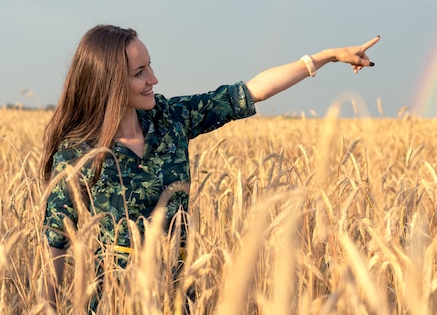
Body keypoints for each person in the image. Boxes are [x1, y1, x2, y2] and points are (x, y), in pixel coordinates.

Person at [40, 24, 380, 313]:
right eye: (139, 73)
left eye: (150, 67)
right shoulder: (78, 153)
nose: (154, 79)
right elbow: (55, 241)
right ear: (110, 82)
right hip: (114, 305)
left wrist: (326, 56)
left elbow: (250, 92)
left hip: (178, 300)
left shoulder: (171, 119)